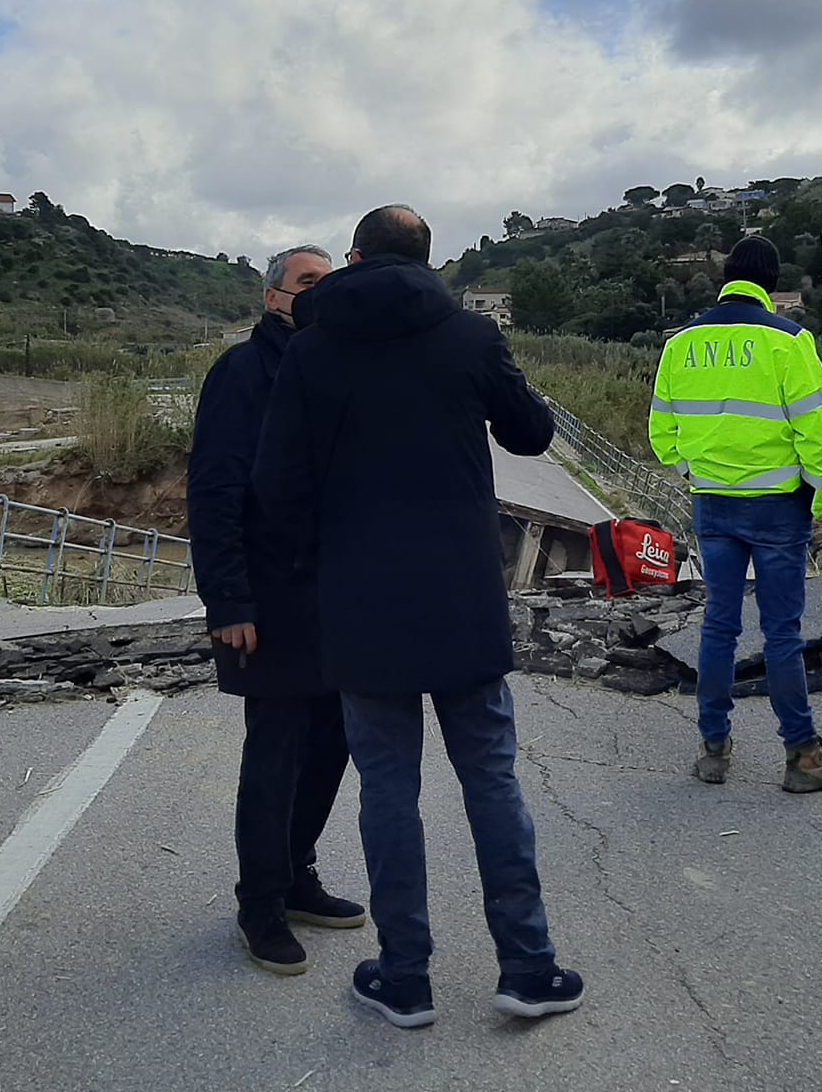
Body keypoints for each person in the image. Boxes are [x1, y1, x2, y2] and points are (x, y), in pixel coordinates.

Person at [253, 206, 582, 1030]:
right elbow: (533, 434)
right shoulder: (468, 337)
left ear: (357, 257)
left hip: (362, 606)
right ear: (428, 260)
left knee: (388, 791)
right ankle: (528, 969)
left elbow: (276, 487)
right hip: (463, 598)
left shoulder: (313, 348)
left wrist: (309, 572)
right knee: (493, 782)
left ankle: (405, 977)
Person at [190, 243, 365, 977]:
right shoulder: (240, 373)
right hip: (267, 598)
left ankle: (296, 875)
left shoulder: (334, 364)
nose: (319, 294)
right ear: (272, 298)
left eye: (329, 282)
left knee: (331, 746)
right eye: (306, 283)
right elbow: (215, 489)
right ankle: (258, 904)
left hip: (335, 598)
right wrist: (227, 598)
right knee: (275, 755)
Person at [648, 236, 822, 793]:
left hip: (712, 503)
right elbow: (821, 424)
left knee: (719, 624)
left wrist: (692, 472)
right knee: (782, 633)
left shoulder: (681, 343)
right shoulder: (788, 341)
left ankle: (714, 747)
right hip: (778, 508)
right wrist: (816, 489)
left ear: (727, 276)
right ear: (770, 279)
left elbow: (662, 432)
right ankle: (803, 757)